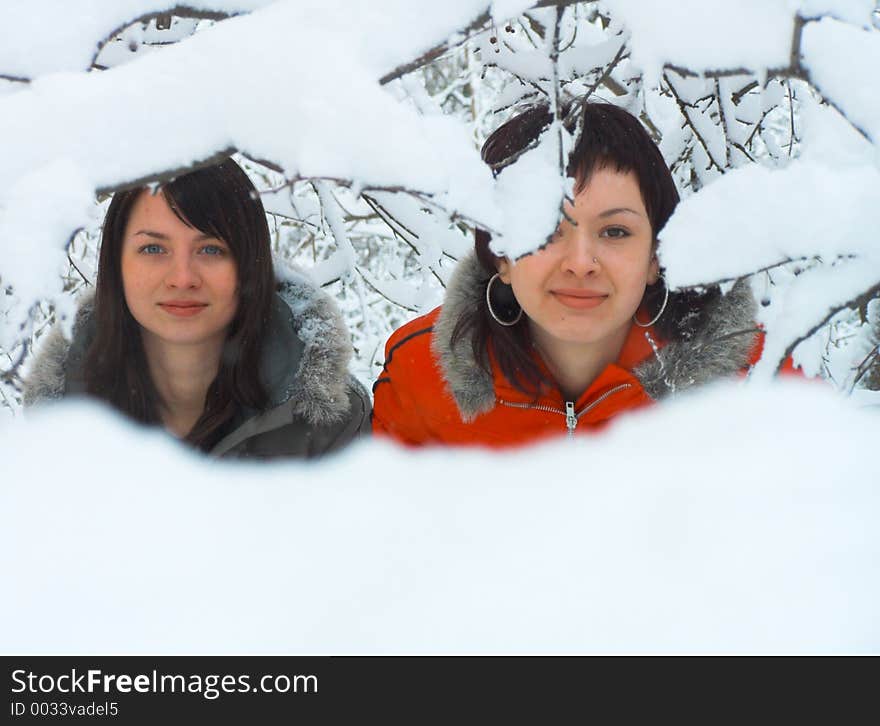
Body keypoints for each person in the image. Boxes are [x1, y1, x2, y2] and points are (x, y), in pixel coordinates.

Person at [373, 101, 790, 447]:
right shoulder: (420, 375)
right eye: (546, 230)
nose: (580, 262)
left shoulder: (755, 376)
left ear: (655, 258)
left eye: (615, 231)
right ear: (500, 253)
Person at [24, 158, 369, 458]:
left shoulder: (328, 422)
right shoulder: (58, 416)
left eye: (211, 250)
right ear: (116, 265)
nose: (183, 278)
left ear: (250, 265)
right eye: (153, 249)